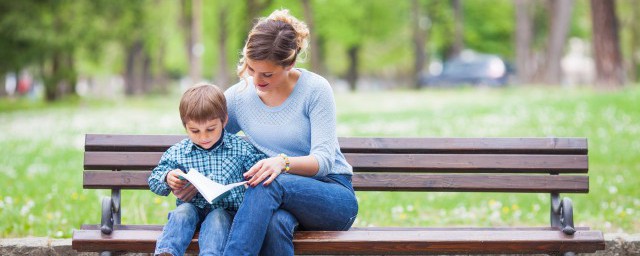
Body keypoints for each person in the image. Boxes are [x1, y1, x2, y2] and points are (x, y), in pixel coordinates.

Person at [221, 9, 359, 255]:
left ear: (290, 64)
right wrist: (182, 176)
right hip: (275, 201)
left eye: (267, 74)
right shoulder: (239, 96)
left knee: (267, 183)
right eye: (251, 69)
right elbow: (207, 138)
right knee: (275, 225)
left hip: (331, 195)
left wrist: (281, 163)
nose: (256, 80)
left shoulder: (315, 90)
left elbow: (324, 161)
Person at [148, 83, 267, 256]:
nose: (203, 137)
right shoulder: (178, 151)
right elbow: (154, 179)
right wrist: (167, 178)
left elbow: (260, 172)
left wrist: (253, 179)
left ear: (224, 121)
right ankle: (167, 252)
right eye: (195, 131)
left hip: (226, 213)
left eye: (211, 129)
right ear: (185, 126)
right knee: (182, 212)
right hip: (192, 211)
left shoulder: (241, 148)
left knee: (217, 217)